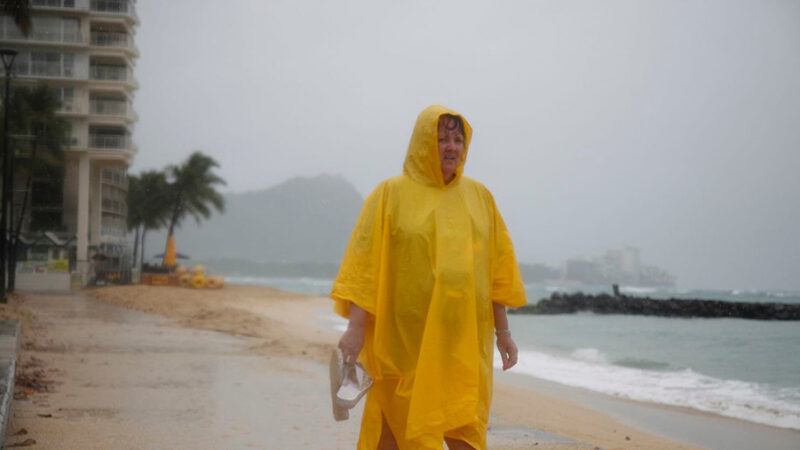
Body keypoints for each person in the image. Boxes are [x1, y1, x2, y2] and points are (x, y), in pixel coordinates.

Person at [331, 105, 526, 450]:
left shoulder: (480, 198)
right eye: (440, 139)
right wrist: (356, 327)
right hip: (404, 343)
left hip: (462, 344)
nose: (451, 147)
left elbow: (497, 271)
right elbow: (365, 265)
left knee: (464, 423)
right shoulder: (390, 194)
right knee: (394, 426)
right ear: (422, 143)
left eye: (457, 140)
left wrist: (504, 332)